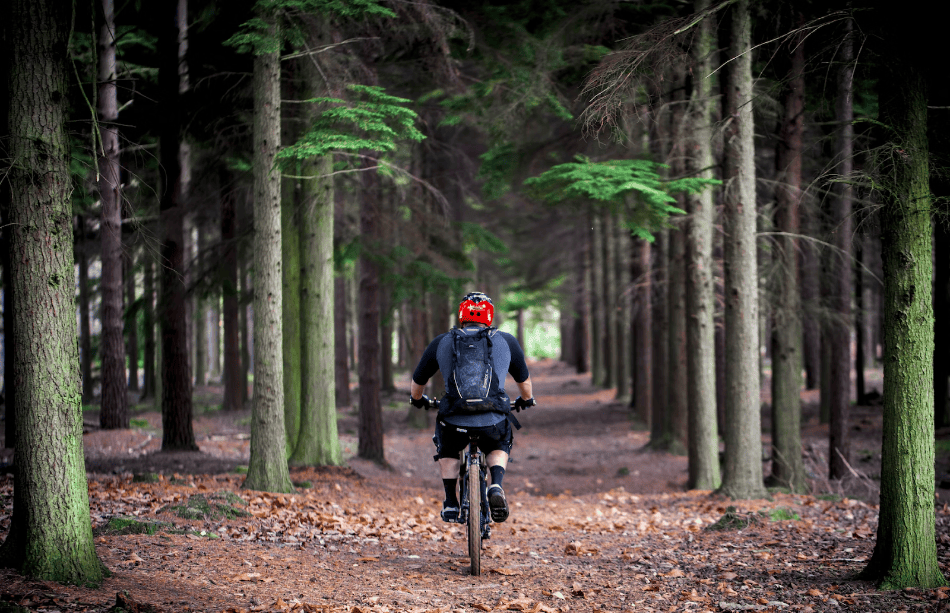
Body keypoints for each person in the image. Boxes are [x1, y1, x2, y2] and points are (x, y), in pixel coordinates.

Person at [409, 291, 536, 526]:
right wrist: (526, 400)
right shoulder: (506, 340)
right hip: (492, 421)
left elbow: (418, 381)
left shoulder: (443, 341)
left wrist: (418, 400)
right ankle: (495, 484)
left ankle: (450, 502)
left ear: (461, 316)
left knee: (447, 445)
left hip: (454, 420)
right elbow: (524, 384)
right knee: (499, 443)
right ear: (490, 316)